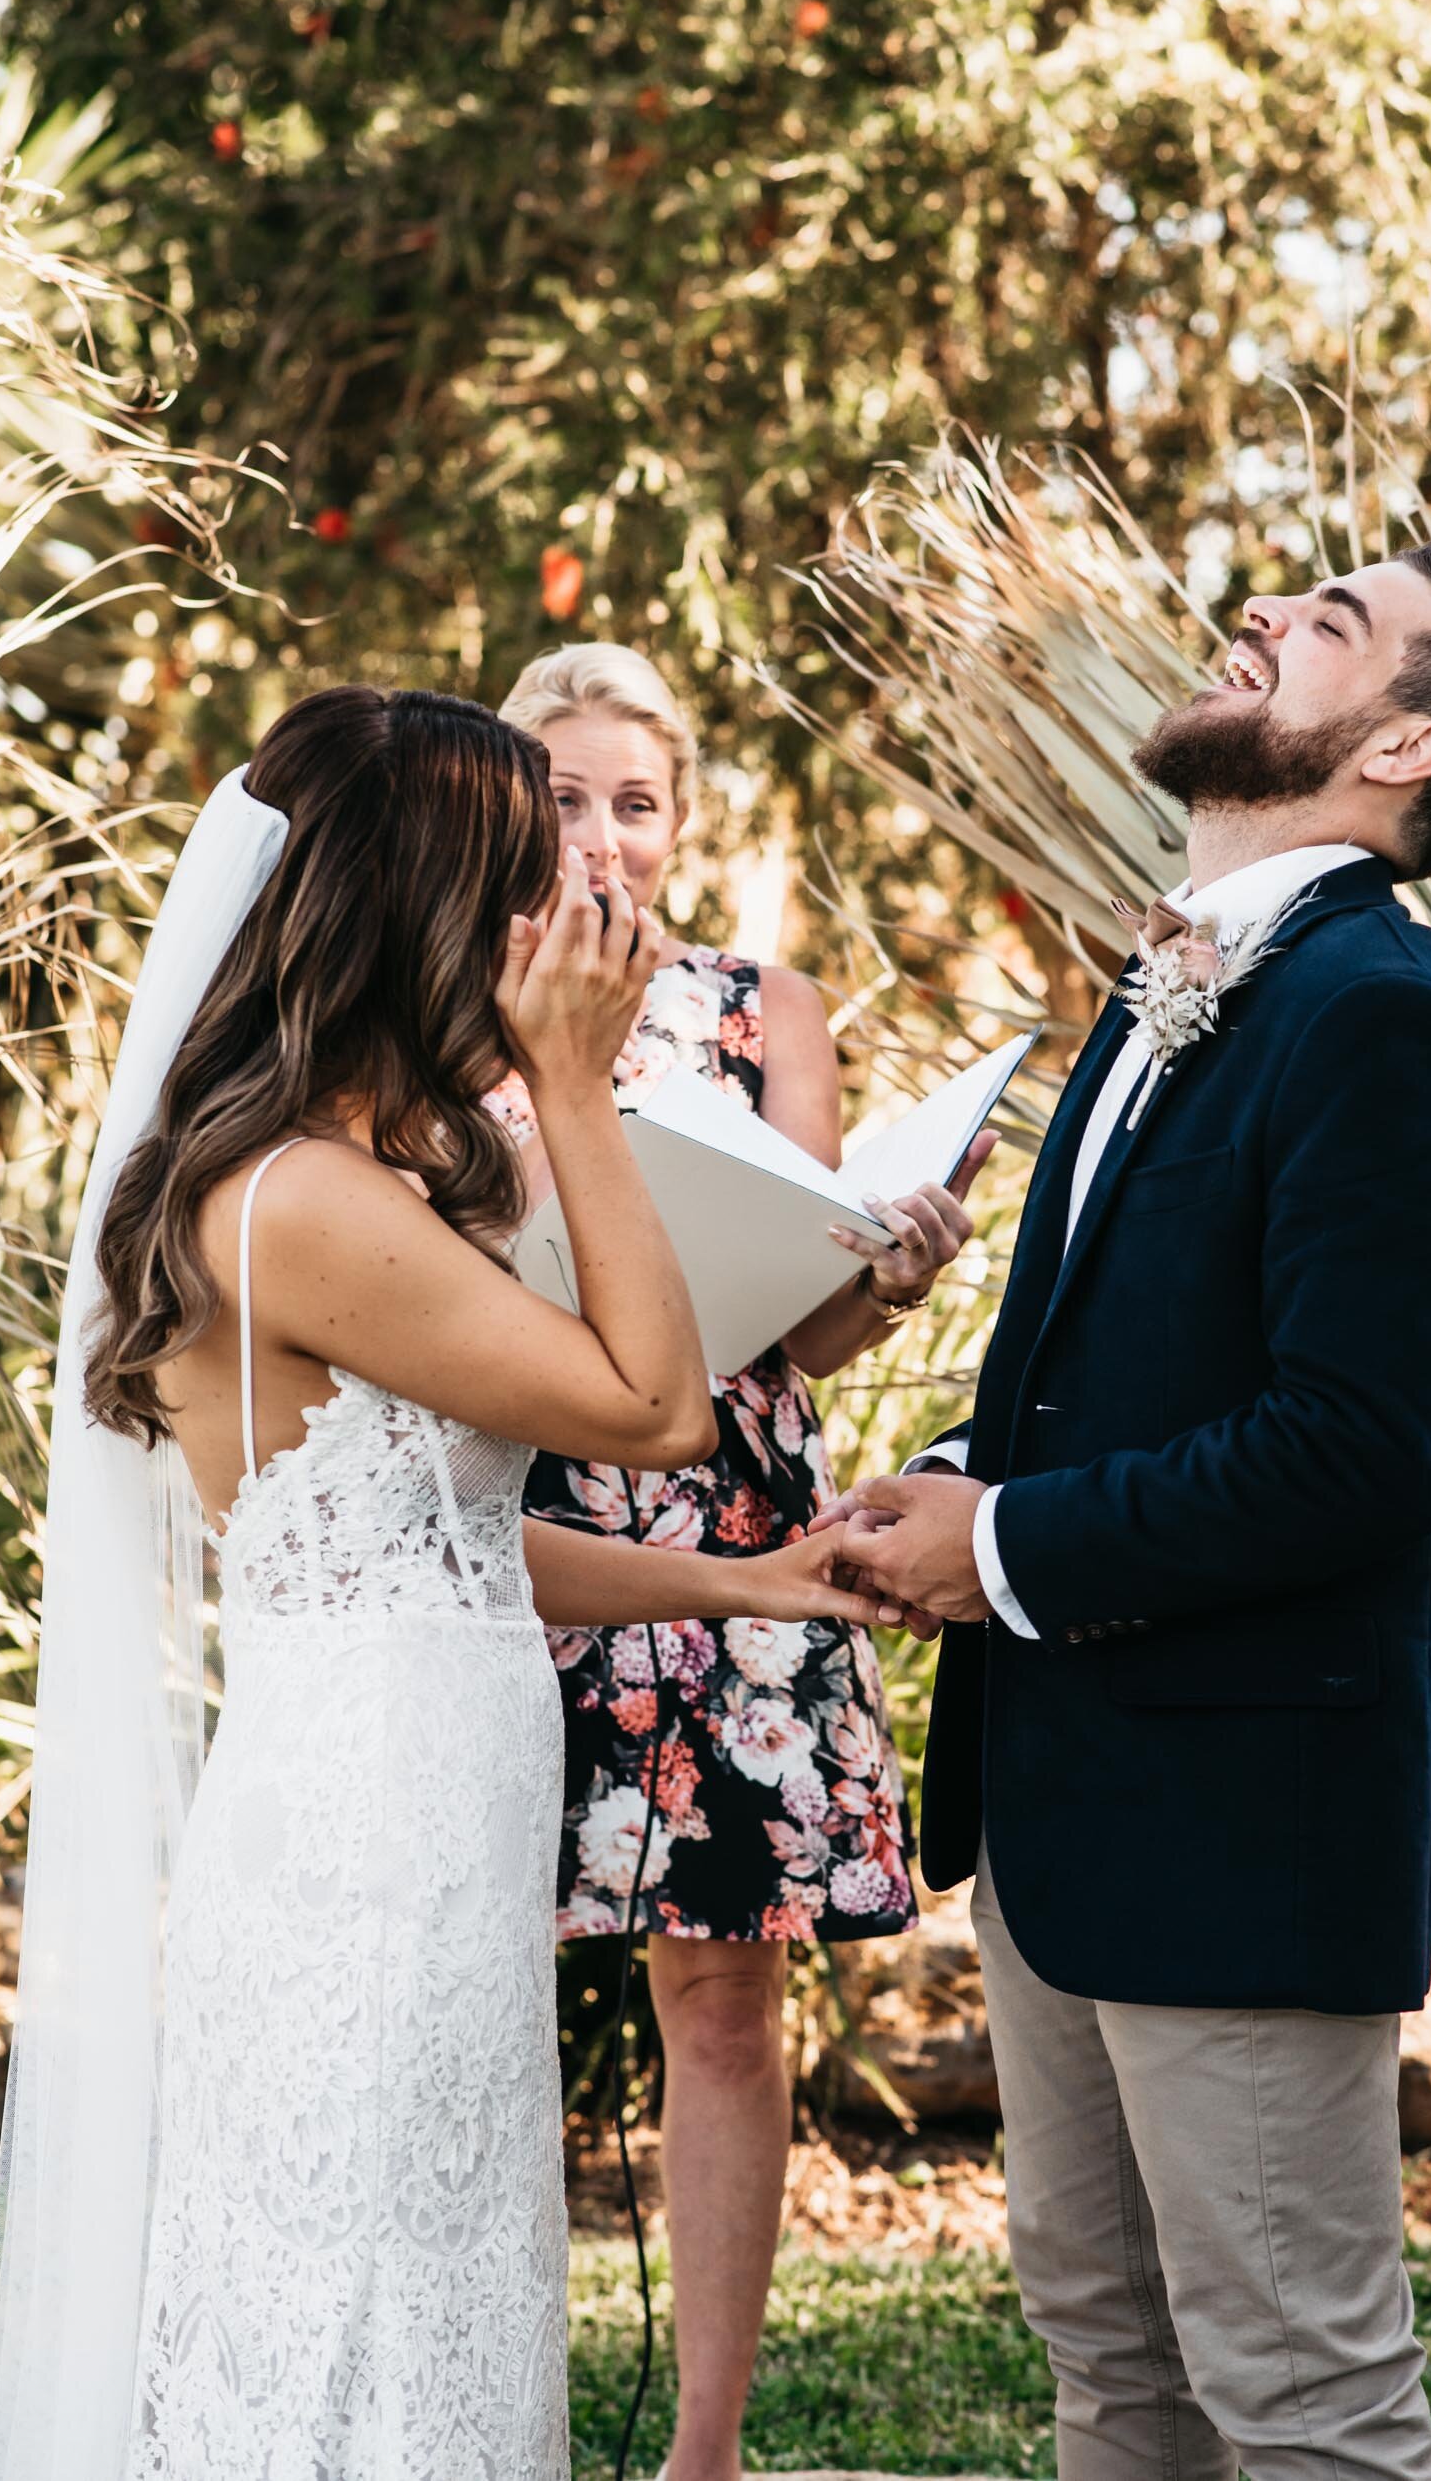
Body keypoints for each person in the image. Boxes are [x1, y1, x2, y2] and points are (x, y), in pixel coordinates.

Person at [0, 686, 891, 2481]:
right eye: (519, 887)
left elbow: (441, 1549)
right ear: (419, 912)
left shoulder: (337, 1174)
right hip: (365, 1839)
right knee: (353, 2306)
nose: (558, 926)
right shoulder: (294, 1197)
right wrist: (571, 1087)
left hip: (428, 1802)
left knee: (435, 2279)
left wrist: (744, 1580)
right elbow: (656, 1404)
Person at [818, 545, 1431, 2481]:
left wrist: (995, 1554)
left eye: (1326, 617)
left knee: (1302, 2399)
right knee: (1112, 2368)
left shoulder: (1381, 1019)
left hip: (1241, 1826)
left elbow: (1354, 1451)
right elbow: (1150, 1380)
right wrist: (978, 1487)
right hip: (1076, 1806)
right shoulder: (1190, 979)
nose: (1260, 611)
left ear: (1403, 739)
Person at [492, 642, 993, 2481]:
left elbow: (804, 1332)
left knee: (721, 2000)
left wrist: (894, 1269)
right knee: (465, 1980)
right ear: (498, 801)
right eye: (563, 794)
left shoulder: (765, 1007)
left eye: (639, 799)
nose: (604, 833)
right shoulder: (436, 988)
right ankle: (477, 2399)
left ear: (681, 820)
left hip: (736, 1531)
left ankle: (701, 2450)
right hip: (514, 1513)